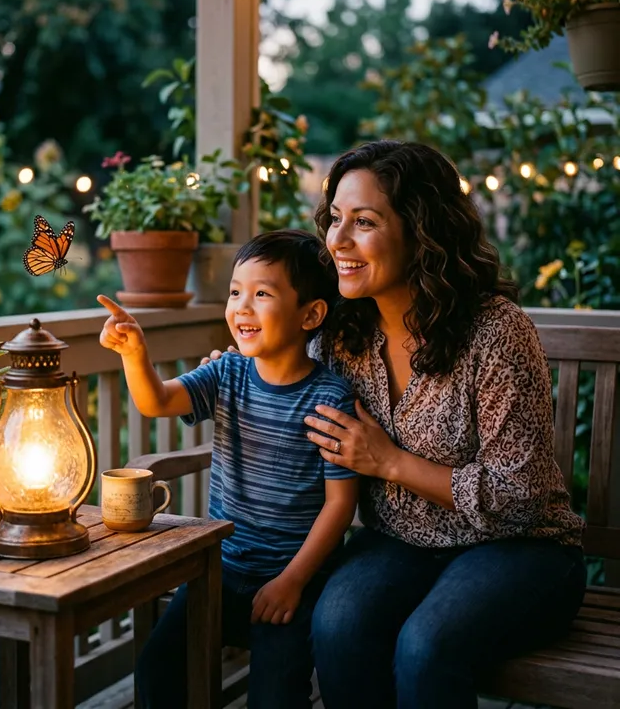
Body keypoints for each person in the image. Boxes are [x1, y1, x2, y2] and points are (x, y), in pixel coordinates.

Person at [206, 140, 587, 709]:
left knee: (424, 646)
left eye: (364, 222)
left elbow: (522, 496)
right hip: (400, 544)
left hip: (520, 549)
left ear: (421, 231)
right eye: (335, 219)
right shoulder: (338, 335)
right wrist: (228, 368)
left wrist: (389, 462)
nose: (337, 240)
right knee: (338, 622)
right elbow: (272, 363)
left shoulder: (496, 331)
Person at [97, 229, 359, 709]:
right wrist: (135, 353)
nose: (242, 306)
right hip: (219, 569)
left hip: (293, 580)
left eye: (262, 294)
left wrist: (293, 581)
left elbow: (341, 506)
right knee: (157, 668)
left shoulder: (330, 399)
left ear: (311, 314)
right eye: (236, 291)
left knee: (275, 696)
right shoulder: (227, 373)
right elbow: (156, 400)